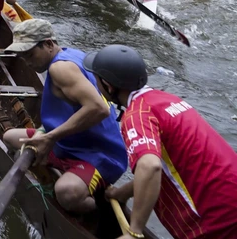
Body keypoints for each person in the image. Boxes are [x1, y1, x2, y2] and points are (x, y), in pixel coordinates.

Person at [85, 44, 237, 239]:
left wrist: (135, 231)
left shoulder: (138, 115)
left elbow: (150, 167)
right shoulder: (166, 100)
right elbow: (169, 167)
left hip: (215, 221)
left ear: (108, 84)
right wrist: (122, 193)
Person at [2, 20, 128, 214]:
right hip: (67, 143)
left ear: (49, 44)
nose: (27, 61)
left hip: (96, 154)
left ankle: (98, 207)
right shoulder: (72, 54)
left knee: (66, 193)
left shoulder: (59, 69)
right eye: (22, 56)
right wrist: (45, 132)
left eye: (30, 54)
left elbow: (99, 109)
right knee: (10, 137)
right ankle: (54, 171)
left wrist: (50, 138)